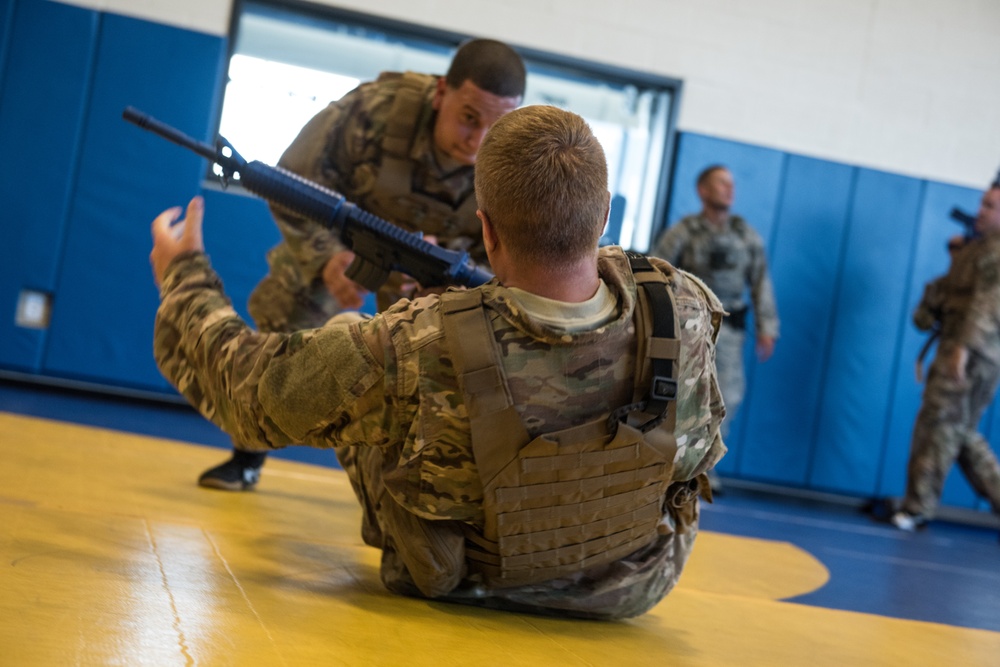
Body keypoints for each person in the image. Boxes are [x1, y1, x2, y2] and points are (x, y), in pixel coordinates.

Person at [149, 105, 726, 620]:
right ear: (602, 216)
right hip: (630, 586)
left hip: (463, 582)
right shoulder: (684, 309)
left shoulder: (417, 342)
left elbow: (252, 393)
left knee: (353, 342)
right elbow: (692, 456)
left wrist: (185, 275)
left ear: (486, 228)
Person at [198, 38, 526, 491]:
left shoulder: (513, 157)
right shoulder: (372, 111)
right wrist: (326, 255)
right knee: (281, 322)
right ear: (439, 93)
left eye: (496, 124)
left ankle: (415, 487)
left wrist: (449, 281)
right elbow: (292, 182)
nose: (479, 139)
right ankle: (247, 454)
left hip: (438, 271)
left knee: (444, 365)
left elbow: (514, 255)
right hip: (349, 242)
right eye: (469, 118)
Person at [650, 165, 779, 489]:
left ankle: (705, 464)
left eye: (731, 184)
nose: (729, 189)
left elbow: (761, 281)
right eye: (721, 183)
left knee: (729, 396)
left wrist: (768, 326)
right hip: (690, 328)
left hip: (730, 330)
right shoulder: (684, 232)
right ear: (703, 191)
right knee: (682, 394)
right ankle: (673, 461)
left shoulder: (745, 236)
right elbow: (656, 271)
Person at [891, 182, 1000, 531]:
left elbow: (986, 306)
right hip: (956, 350)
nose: (981, 211)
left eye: (990, 206)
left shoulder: (996, 254)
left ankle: (918, 506)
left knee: (942, 428)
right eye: (982, 204)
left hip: (972, 355)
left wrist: (963, 350)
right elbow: (936, 306)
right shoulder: (976, 250)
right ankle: (917, 503)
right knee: (956, 431)